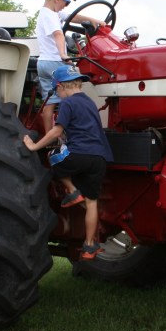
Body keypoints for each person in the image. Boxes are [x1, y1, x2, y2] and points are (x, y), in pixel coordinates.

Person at [23, 64, 114, 260]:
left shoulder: (67, 104)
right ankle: (90, 246)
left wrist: (34, 146)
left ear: (62, 87)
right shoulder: (89, 102)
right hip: (99, 157)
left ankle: (72, 191)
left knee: (52, 156)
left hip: (79, 154)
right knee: (92, 203)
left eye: (57, 90)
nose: (58, 94)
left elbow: (56, 131)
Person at [34, 0, 106, 133]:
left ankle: (50, 137)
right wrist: (63, 55)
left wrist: (93, 20)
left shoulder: (48, 12)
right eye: (66, 3)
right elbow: (59, 34)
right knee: (73, 97)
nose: (65, 7)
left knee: (49, 102)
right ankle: (74, 132)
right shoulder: (51, 16)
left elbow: (72, 16)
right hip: (55, 62)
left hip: (43, 64)